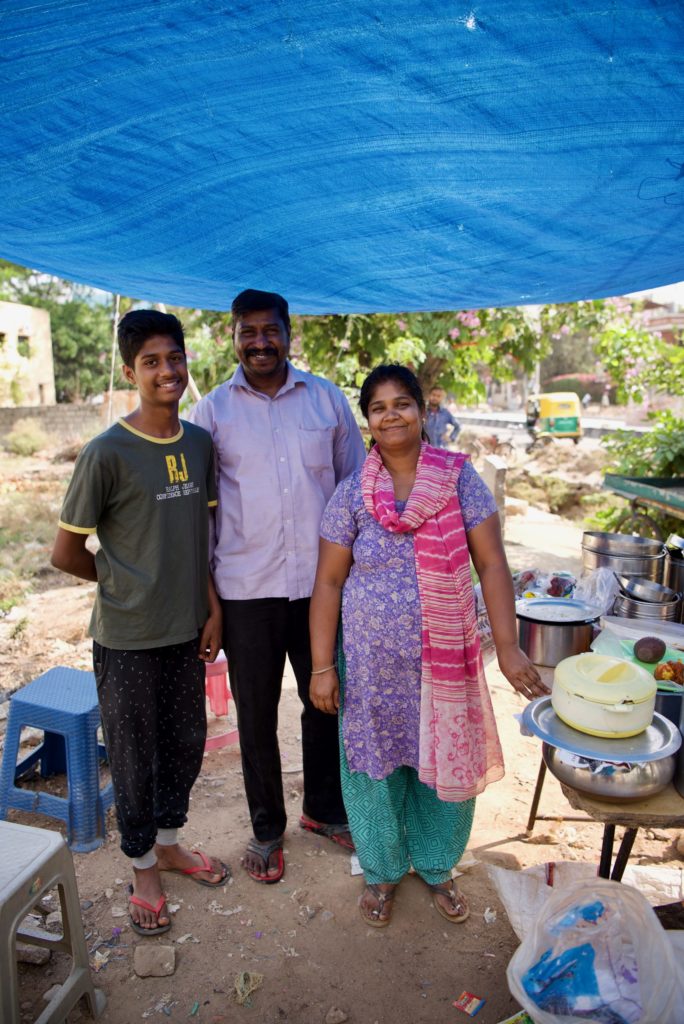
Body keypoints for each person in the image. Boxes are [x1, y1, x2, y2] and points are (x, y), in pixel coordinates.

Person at [309, 364, 548, 927]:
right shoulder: (352, 495)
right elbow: (328, 581)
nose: (391, 415)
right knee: (374, 772)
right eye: (378, 407)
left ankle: (438, 867)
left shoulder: (460, 480)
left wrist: (510, 647)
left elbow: (491, 565)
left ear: (423, 410)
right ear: (367, 420)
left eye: (402, 403)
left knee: (445, 767)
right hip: (370, 666)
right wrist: (322, 666)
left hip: (445, 665)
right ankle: (382, 871)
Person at [51, 310, 228, 938]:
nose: (166, 371)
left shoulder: (200, 444)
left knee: (186, 743)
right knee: (133, 757)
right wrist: (126, 582)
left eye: (174, 358)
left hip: (188, 630)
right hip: (126, 637)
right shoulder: (107, 453)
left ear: (187, 364)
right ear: (131, 372)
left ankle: (171, 843)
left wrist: (211, 604)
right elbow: (65, 552)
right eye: (150, 361)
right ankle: (143, 865)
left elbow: (200, 534)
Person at [190, 288, 366, 884]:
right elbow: (201, 512)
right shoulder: (212, 412)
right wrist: (209, 602)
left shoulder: (327, 401)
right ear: (233, 337)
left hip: (321, 587)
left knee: (325, 701)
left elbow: (355, 492)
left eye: (271, 330)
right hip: (246, 589)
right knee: (256, 715)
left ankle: (323, 809)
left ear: (290, 335)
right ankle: (268, 830)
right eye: (249, 332)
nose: (260, 342)